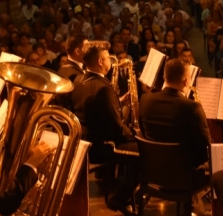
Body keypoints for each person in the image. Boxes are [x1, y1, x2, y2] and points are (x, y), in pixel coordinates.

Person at [70, 40, 137, 214]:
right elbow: (116, 129)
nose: (110, 61)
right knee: (143, 152)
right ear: (100, 61)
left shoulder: (79, 80)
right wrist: (136, 135)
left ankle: (121, 184)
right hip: (101, 146)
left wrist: (118, 102)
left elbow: (93, 108)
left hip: (86, 141)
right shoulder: (103, 88)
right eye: (107, 57)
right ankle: (120, 198)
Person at [139, 58, 211, 214]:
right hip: (185, 178)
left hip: (152, 173)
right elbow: (205, 148)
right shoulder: (192, 107)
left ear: (165, 78)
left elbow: (145, 135)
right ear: (186, 81)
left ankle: (194, 206)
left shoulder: (145, 100)